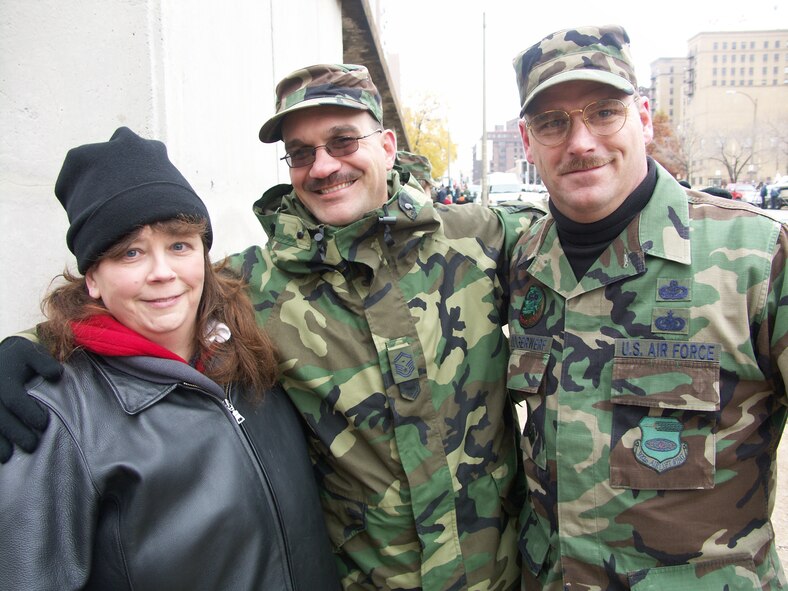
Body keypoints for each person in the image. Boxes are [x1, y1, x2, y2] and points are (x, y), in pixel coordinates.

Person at [0, 65, 546, 590]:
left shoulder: (481, 239)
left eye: (342, 141)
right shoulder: (252, 284)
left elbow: (581, 254)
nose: (323, 166)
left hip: (497, 576)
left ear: (386, 146)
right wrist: (25, 349)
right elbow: (141, 301)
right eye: (301, 153)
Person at [509, 25, 787, 589]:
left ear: (642, 117)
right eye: (552, 122)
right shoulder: (524, 261)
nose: (580, 142)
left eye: (604, 112)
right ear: (527, 141)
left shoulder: (755, 257)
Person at [0, 127, 338, 590]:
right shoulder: (56, 416)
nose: (162, 272)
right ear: (92, 278)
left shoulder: (251, 347)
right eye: (130, 252)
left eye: (179, 245)